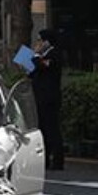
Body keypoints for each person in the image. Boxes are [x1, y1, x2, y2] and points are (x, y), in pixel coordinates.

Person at [29, 28, 65, 171]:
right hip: (40, 96)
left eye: (40, 40)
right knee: (43, 129)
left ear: (47, 41)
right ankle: (45, 159)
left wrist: (36, 55)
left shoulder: (54, 54)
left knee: (52, 129)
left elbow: (43, 66)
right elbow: (33, 72)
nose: (38, 43)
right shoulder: (43, 55)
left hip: (49, 98)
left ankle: (58, 160)